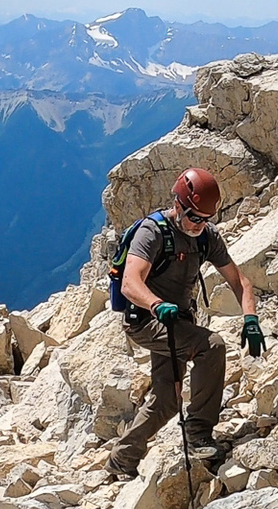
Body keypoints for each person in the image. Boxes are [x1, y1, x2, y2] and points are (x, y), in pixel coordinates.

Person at [107, 167, 268, 478]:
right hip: (146, 320)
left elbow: (241, 282)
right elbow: (130, 283)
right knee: (212, 346)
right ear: (178, 205)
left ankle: (122, 459)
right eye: (194, 217)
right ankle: (198, 434)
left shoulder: (207, 237)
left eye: (206, 219)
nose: (199, 224)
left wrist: (251, 317)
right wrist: (156, 304)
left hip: (177, 321)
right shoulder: (152, 233)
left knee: (167, 400)